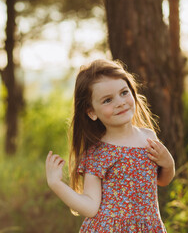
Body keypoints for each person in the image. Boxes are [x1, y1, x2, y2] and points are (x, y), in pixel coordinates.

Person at [45, 59, 175, 232]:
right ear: (91, 112)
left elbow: (163, 180)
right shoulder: (98, 152)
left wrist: (168, 163)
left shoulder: (148, 138)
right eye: (107, 100)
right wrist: (56, 184)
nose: (120, 102)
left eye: (123, 93)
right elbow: (91, 207)